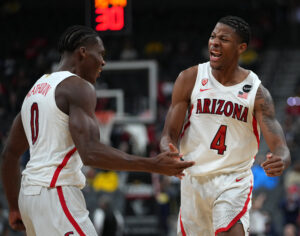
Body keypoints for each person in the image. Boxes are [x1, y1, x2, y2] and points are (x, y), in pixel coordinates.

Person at [0, 25, 195, 236]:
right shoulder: (78, 87)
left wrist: (13, 207)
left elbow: (9, 154)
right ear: (82, 52)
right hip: (55, 194)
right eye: (100, 54)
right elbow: (90, 153)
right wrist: (153, 165)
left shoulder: (34, 90)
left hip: (28, 197)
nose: (103, 62)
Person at [160, 15, 291, 236]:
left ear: (241, 48)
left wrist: (282, 159)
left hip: (233, 179)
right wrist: (168, 151)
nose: (215, 42)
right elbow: (168, 135)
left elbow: (280, 146)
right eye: (213, 37)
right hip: (193, 179)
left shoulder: (257, 92)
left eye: (224, 39)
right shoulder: (190, 78)